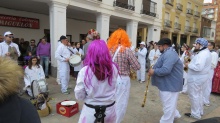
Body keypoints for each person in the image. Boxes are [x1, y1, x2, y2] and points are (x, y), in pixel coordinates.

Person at [74, 40, 119, 123]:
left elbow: (79, 95)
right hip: (110, 110)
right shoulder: (114, 68)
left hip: (90, 112)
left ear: (90, 53)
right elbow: (116, 87)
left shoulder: (85, 71)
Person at [107, 28, 140, 123]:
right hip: (122, 79)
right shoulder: (127, 50)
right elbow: (137, 66)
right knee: (121, 103)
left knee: (111, 102)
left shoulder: (109, 49)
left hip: (110, 78)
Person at [148, 38, 183, 123]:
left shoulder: (170, 54)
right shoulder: (167, 53)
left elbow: (166, 70)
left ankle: (166, 121)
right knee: (169, 104)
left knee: (168, 106)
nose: (158, 48)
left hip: (170, 85)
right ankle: (175, 114)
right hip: (167, 84)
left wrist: (154, 71)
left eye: (159, 46)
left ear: (165, 45)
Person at [0, 57, 41, 123]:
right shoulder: (25, 106)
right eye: (33, 60)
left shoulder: (40, 67)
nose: (34, 61)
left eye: (35, 60)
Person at [184, 38, 211, 119]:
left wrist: (188, 65)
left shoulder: (203, 54)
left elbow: (198, 67)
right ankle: (199, 111)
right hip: (200, 77)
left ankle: (195, 113)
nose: (195, 45)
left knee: (194, 95)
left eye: (196, 44)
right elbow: (198, 61)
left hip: (196, 78)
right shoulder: (204, 52)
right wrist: (191, 56)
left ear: (201, 45)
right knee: (199, 95)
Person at [203, 41, 218, 106]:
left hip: (209, 71)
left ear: (212, 46)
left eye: (208, 45)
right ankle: (203, 100)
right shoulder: (208, 52)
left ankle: (206, 101)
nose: (207, 46)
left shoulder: (214, 53)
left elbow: (213, 64)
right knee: (204, 86)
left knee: (208, 86)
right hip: (206, 70)